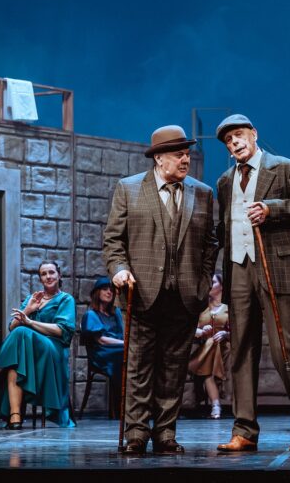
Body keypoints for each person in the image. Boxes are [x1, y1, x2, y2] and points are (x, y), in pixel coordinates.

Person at [102, 125, 218, 454]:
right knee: (139, 367)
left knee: (174, 369)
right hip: (141, 294)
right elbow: (113, 241)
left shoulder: (202, 193)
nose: (186, 159)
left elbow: (210, 244)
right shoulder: (129, 188)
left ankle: (165, 432)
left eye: (187, 154)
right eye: (179, 154)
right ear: (158, 158)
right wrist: (119, 270)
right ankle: (137, 433)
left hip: (184, 296)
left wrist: (203, 282)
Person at [213, 114, 290, 453]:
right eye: (229, 140)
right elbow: (224, 227)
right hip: (238, 269)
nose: (235, 142)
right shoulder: (225, 181)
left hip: (276, 268)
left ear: (254, 134)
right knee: (241, 352)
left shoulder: (284, 168)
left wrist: (271, 209)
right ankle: (244, 430)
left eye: (239, 135)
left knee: (285, 350)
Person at [0, 260, 77, 429]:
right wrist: (28, 310)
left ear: (59, 275)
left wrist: (30, 322)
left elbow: (61, 331)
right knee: (16, 360)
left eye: (51, 272)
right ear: (40, 278)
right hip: (29, 350)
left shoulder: (65, 299)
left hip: (53, 349)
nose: (48, 276)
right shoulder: (33, 298)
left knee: (22, 332)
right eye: (43, 274)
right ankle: (15, 416)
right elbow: (12, 326)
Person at [79, 276, 124, 414]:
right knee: (125, 354)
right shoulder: (91, 314)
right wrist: (125, 344)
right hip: (101, 352)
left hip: (118, 348)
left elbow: (123, 333)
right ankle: (121, 408)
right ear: (97, 293)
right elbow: (101, 340)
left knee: (136, 354)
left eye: (111, 290)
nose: (109, 292)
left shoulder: (115, 313)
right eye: (105, 289)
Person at [189, 272, 231, 419]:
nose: (209, 286)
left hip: (225, 347)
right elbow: (190, 328)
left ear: (221, 286)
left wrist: (226, 334)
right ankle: (215, 405)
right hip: (206, 346)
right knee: (210, 343)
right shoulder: (202, 308)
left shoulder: (228, 307)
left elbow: (238, 330)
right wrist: (200, 331)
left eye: (213, 283)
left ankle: (216, 405)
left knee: (211, 352)